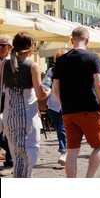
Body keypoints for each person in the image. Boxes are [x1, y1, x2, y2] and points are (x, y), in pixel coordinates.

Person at [53, 26, 100, 178]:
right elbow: (99, 84)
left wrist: (63, 104)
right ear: (87, 40)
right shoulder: (92, 58)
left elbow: (56, 87)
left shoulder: (61, 60)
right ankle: (88, 180)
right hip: (89, 109)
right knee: (99, 145)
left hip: (69, 111)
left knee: (72, 151)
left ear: (72, 40)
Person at [1, 31, 51, 177]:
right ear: (31, 47)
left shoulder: (4, 63)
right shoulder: (32, 65)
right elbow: (40, 95)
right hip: (27, 115)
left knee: (17, 157)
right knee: (29, 154)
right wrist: (48, 92)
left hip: (9, 115)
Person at [45, 50, 67, 166]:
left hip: (66, 104)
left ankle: (64, 151)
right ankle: (66, 148)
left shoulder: (71, 71)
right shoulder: (51, 70)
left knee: (62, 128)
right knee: (59, 129)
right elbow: (46, 83)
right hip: (53, 104)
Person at [0, 35, 14, 176]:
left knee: (8, 131)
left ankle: (10, 162)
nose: (0, 48)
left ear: (10, 47)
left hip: (8, 99)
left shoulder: (13, 62)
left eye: (3, 45)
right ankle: (14, 151)